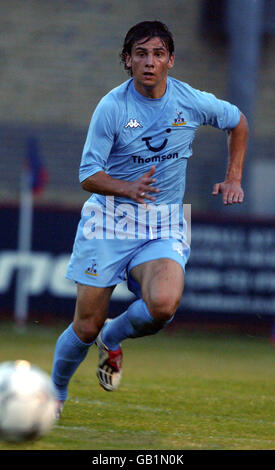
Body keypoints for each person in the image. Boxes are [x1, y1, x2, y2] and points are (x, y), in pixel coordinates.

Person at [51, 20, 249, 416]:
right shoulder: (112, 107)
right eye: (140, 53)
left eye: (158, 54)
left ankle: (113, 335)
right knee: (84, 326)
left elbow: (238, 121)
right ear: (127, 61)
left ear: (171, 61)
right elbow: (87, 175)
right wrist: (127, 188)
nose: (149, 62)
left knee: (162, 304)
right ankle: (54, 394)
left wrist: (233, 177)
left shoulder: (189, 101)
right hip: (109, 221)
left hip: (162, 223)